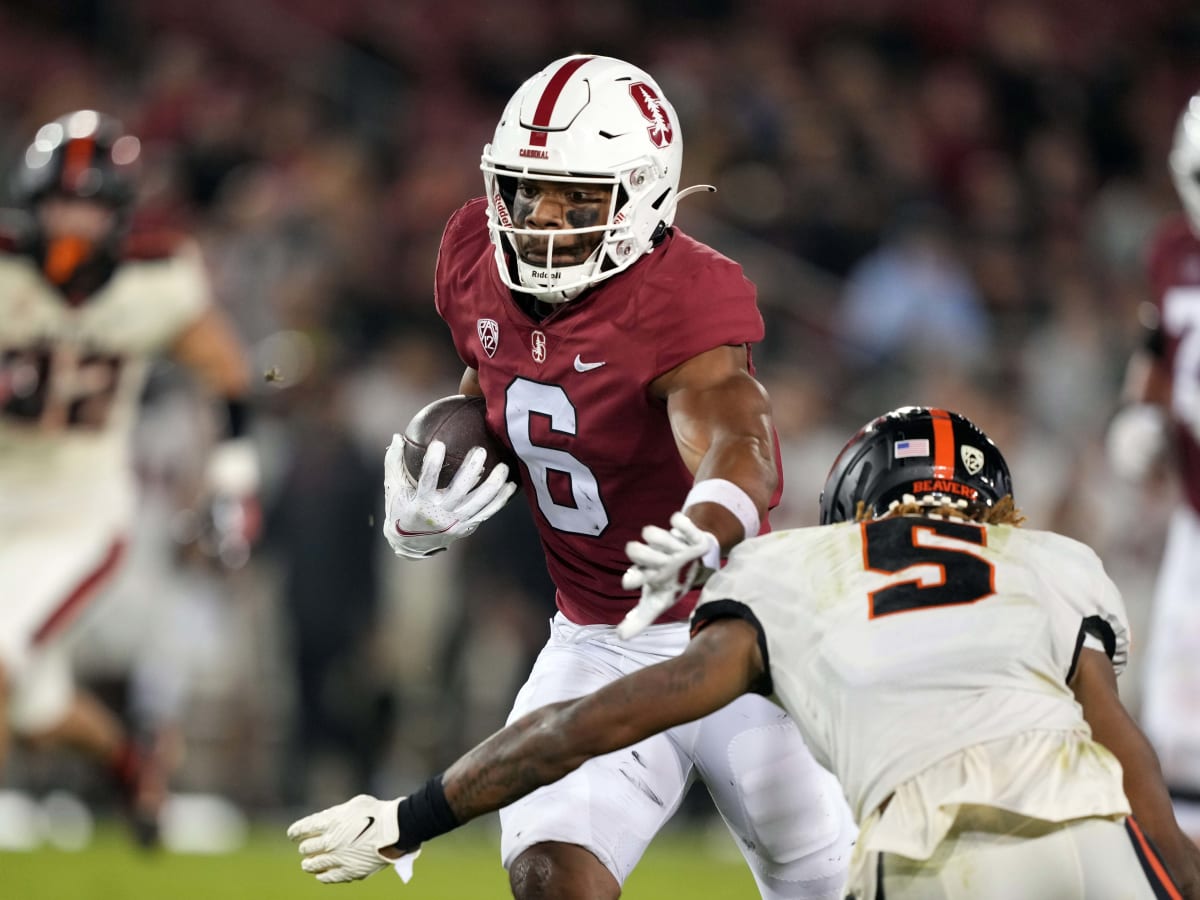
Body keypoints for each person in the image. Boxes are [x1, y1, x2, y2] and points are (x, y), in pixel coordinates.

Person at [291, 405, 1200, 900]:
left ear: (851, 507)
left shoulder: (796, 567)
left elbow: (586, 727)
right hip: (1094, 852)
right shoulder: (1057, 562)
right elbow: (1133, 768)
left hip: (936, 860)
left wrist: (417, 815)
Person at [380, 54, 856, 899]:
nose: (543, 221)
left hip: (739, 630)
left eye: (577, 198)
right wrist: (440, 481)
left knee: (839, 885)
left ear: (643, 196)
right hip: (597, 638)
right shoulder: (472, 259)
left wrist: (703, 527)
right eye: (529, 193)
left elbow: (739, 438)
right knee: (550, 877)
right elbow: (493, 389)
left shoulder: (681, 296)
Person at [0, 110, 257, 843]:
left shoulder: (158, 277)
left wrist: (235, 479)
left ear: (117, 214)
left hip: (75, 515)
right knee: (35, 709)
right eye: (58, 203)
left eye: (87, 205)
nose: (70, 222)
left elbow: (227, 369)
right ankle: (130, 761)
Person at [1106, 90, 1200, 836]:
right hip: (1195, 520)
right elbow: (1156, 346)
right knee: (1176, 726)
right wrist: (1142, 410)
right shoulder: (1173, 249)